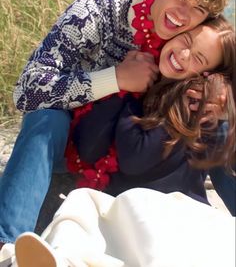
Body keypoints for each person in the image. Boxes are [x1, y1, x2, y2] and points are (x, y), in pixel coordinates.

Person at [0, 0, 233, 249]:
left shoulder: (189, 39)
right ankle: (7, 243)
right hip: (74, 141)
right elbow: (27, 89)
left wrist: (220, 92)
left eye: (198, 9)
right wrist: (116, 78)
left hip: (133, 154)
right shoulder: (96, 12)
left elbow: (222, 55)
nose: (183, 14)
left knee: (218, 123)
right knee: (46, 117)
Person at [69, 16, 235, 205]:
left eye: (198, 58)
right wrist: (122, 81)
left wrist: (132, 96)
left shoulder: (192, 103)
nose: (184, 54)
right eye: (187, 40)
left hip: (171, 213)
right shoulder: (145, 77)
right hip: (128, 209)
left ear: (209, 75)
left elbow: (134, 158)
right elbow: (88, 150)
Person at [1, 188, 235, 267]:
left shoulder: (212, 108)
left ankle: (68, 259)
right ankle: (63, 259)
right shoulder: (127, 100)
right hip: (120, 199)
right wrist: (117, 82)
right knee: (82, 200)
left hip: (177, 207)